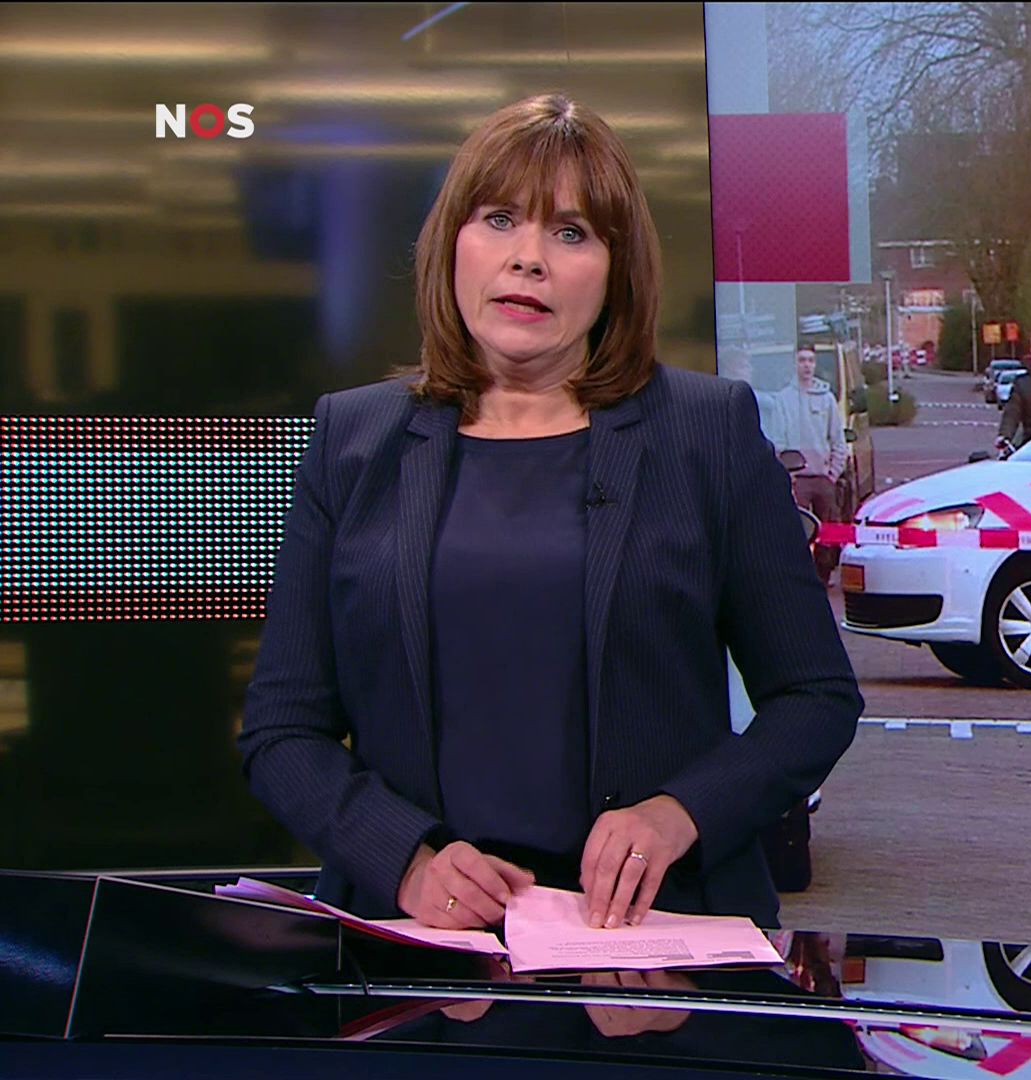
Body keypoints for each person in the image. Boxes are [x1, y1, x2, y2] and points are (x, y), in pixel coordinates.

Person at [237, 93, 862, 935]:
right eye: (499, 220)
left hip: (651, 939)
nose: (527, 258)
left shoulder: (705, 432)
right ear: (451, 243)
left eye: (571, 233)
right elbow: (282, 730)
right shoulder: (353, 440)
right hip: (422, 944)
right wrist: (407, 862)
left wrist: (680, 813)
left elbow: (815, 696)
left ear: (615, 270)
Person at [764, 348, 848, 583]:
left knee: (828, 529)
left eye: (811, 360)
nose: (807, 365)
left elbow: (838, 440)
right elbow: (777, 441)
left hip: (823, 478)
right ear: (794, 364)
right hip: (796, 479)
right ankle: (800, 576)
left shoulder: (827, 399)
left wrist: (832, 474)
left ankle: (825, 574)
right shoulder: (783, 399)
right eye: (802, 360)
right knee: (796, 529)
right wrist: (785, 473)